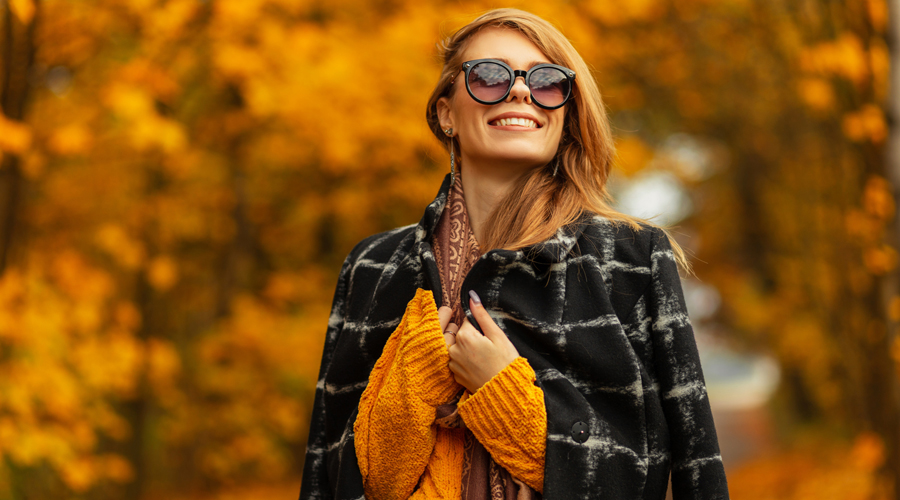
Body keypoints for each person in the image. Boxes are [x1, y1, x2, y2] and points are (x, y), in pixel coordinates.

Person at [299, 8, 729, 500]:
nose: (521, 91)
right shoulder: (372, 266)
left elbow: (687, 468)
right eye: (490, 75)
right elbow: (324, 472)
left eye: (547, 82)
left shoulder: (631, 261)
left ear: (564, 115)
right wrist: (405, 399)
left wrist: (511, 406)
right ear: (445, 113)